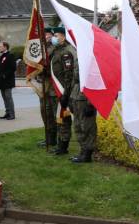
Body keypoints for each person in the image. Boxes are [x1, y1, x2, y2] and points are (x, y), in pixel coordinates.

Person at [50, 27, 77, 155]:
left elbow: (68, 74)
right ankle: (60, 143)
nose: (54, 37)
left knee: (64, 118)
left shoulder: (67, 52)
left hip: (63, 90)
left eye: (56, 35)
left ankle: (63, 145)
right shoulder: (57, 50)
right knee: (59, 118)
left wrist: (65, 93)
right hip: (57, 90)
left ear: (63, 37)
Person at [69, 49, 97, 163]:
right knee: (77, 125)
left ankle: (87, 154)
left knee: (87, 126)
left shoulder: (91, 56)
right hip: (76, 95)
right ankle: (83, 151)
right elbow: (74, 79)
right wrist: (71, 97)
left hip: (86, 97)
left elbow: (94, 80)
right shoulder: (78, 54)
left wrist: (91, 102)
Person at [36, 27, 58, 148]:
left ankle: (55, 139)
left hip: (51, 85)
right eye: (44, 35)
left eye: (48, 34)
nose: (45, 37)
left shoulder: (53, 47)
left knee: (52, 113)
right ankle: (48, 138)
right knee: (44, 112)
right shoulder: (41, 47)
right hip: (42, 84)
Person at [0, 41, 16, 120]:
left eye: (0, 46)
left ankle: (12, 114)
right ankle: (7, 112)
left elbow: (13, 68)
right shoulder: (1, 56)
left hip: (7, 81)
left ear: (5, 47)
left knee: (8, 98)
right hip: (1, 81)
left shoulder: (10, 55)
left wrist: (4, 75)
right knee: (4, 98)